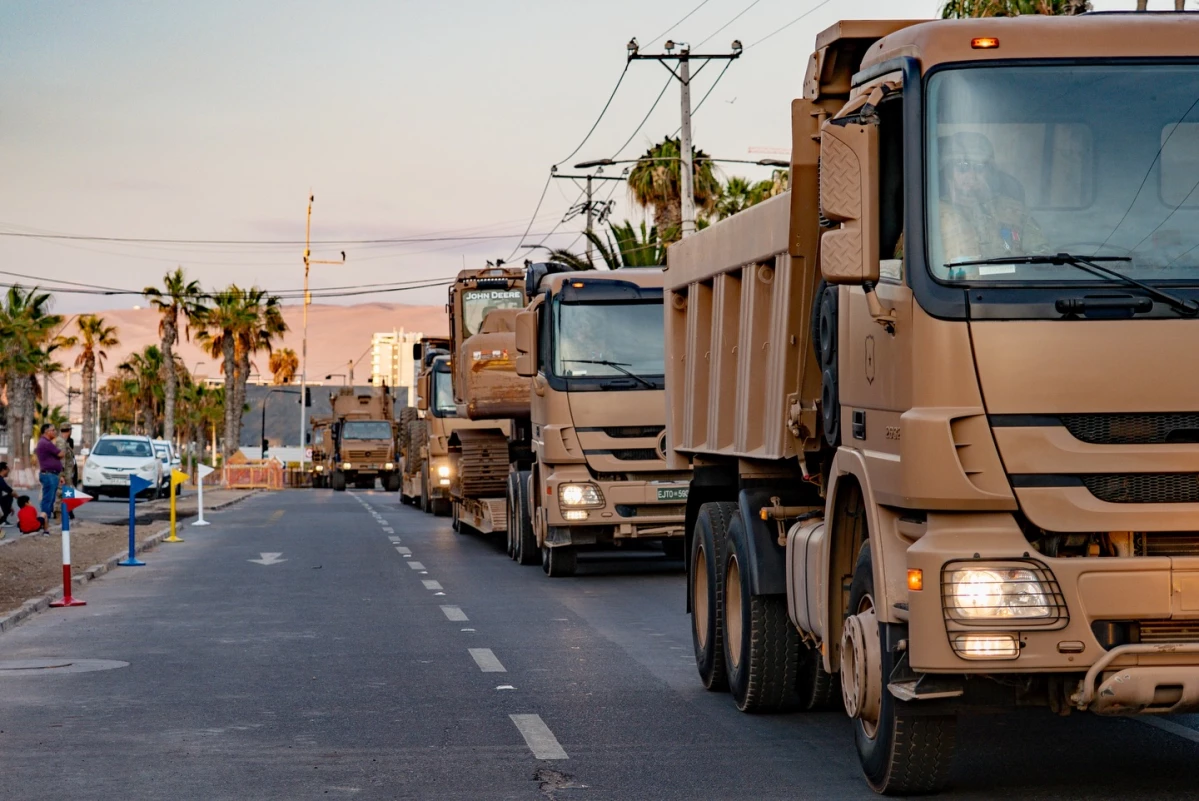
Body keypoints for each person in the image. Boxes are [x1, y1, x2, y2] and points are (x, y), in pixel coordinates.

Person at [939, 131, 1049, 269]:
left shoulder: (1014, 210)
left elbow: (1042, 258)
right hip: (953, 287)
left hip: (1010, 286)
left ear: (989, 172)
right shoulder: (932, 215)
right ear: (949, 171)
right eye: (963, 167)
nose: (971, 175)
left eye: (979, 168)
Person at [33, 423, 64, 531]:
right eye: (53, 430)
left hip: (52, 474)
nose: (55, 432)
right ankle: (44, 521)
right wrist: (64, 445)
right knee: (48, 499)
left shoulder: (46, 443)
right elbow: (60, 454)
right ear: (47, 432)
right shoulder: (46, 443)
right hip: (49, 475)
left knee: (50, 499)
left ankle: (45, 520)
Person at [57, 428, 77, 521]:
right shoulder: (61, 442)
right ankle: (60, 513)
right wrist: (62, 474)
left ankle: (68, 511)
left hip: (69, 472)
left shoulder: (68, 441)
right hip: (64, 473)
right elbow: (62, 460)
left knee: (68, 492)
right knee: (62, 493)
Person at [0, 462, 13, 529]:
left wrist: (9, 506)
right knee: (9, 496)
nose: (8, 472)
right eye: (8, 470)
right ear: (3, 470)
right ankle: (2, 521)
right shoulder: (0, 480)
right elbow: (11, 491)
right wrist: (21, 500)